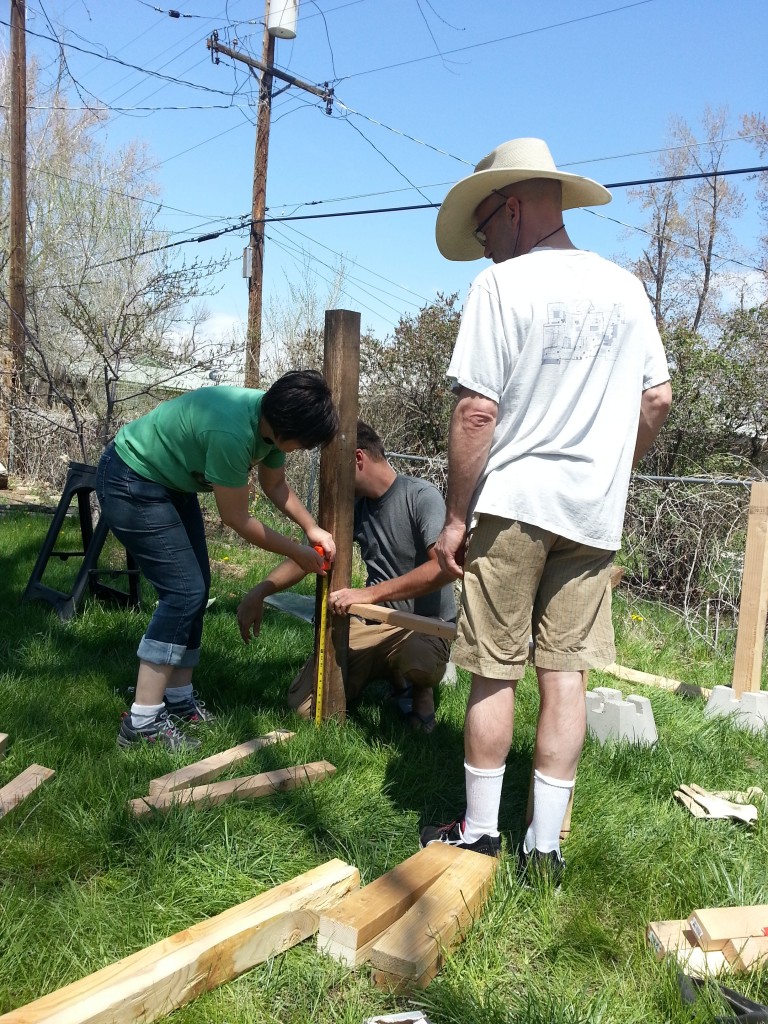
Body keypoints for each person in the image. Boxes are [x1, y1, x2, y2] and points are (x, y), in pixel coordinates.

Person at [419, 138, 672, 867]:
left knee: (494, 667)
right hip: (593, 514)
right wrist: (609, 470)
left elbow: (475, 413)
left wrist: (458, 518)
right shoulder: (627, 287)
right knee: (566, 673)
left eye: (485, 226)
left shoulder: (502, 289)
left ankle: (480, 831)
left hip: (516, 503)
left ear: (516, 207)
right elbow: (655, 398)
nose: (483, 242)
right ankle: (543, 848)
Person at [95, 369, 339, 750]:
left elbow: (273, 485)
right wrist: (297, 552)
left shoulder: (270, 423)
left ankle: (177, 701)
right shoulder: (232, 432)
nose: (301, 450)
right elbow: (236, 519)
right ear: (286, 428)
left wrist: (311, 528)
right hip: (131, 478)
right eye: (303, 444)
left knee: (195, 588)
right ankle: (141, 722)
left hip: (169, 483)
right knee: (184, 591)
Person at [237, 420, 456, 731]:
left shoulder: (422, 496)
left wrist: (368, 594)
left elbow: (442, 568)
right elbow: (310, 558)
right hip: (375, 620)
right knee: (304, 708)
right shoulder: (352, 507)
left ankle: (418, 690)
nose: (331, 479)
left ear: (357, 458)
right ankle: (390, 676)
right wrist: (260, 591)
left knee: (418, 662)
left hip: (424, 626)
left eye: (334, 467)